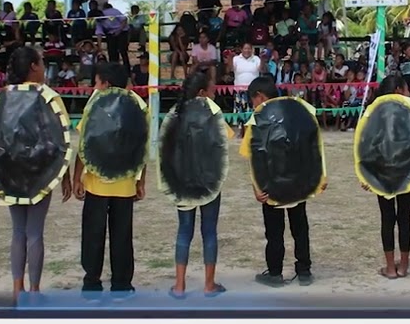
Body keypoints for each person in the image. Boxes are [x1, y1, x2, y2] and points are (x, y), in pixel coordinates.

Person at [0, 46, 73, 301]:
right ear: (33, 67)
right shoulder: (49, 97)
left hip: (9, 173)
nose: (44, 67)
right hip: (40, 173)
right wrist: (63, 176)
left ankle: (17, 287)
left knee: (18, 230)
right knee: (34, 232)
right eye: (42, 62)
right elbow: (62, 140)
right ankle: (34, 291)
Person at [240, 76, 325, 286]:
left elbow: (254, 158)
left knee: (274, 232)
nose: (253, 105)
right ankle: (304, 271)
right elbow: (313, 147)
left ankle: (275, 273)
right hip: (299, 185)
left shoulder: (257, 120)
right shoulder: (298, 112)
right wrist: (319, 177)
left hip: (271, 188)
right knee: (300, 228)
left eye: (253, 101)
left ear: (259, 96)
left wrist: (256, 189)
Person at [72, 62, 148, 293]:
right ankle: (122, 283)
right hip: (125, 184)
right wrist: (140, 181)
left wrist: (77, 177)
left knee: (93, 234)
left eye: (96, 82)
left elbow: (85, 144)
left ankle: (92, 282)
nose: (94, 86)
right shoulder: (139, 105)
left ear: (105, 82)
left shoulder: (95, 103)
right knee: (122, 235)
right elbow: (142, 147)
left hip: (96, 183)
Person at [164, 69, 233, 298]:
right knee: (209, 231)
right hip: (209, 182)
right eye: (212, 89)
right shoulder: (213, 111)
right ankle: (209, 285)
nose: (215, 92)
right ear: (203, 92)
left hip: (181, 182)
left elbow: (165, 149)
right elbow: (223, 143)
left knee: (184, 231)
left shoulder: (175, 113)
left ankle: (180, 286)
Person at [361, 75, 410, 278]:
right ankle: (403, 266)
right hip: (408, 173)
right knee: (404, 218)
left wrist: (366, 175)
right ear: (398, 90)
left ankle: (390, 268)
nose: (408, 93)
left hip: (382, 173)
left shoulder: (373, 112)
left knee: (387, 218)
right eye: (406, 89)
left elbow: (365, 144)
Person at [231, 41, 262, 119]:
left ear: (252, 50)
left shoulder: (256, 58)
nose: (247, 50)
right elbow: (230, 69)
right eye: (245, 48)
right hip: (239, 90)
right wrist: (229, 58)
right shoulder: (236, 59)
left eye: (249, 49)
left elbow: (262, 70)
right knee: (240, 114)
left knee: (253, 113)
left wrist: (263, 60)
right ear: (241, 49)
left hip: (253, 91)